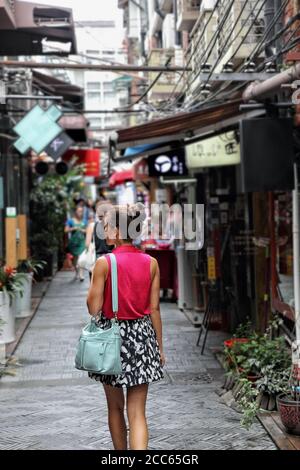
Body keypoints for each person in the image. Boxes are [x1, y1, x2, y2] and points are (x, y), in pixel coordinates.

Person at [87, 204, 165, 450]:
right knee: (138, 412)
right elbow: (154, 309)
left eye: (107, 226)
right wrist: (159, 348)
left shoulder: (104, 263)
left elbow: (93, 307)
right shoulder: (151, 262)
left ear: (119, 230)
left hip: (112, 339)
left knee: (115, 407)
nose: (104, 230)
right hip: (143, 338)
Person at [85, 200, 114, 281]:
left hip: (96, 259)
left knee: (96, 286)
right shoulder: (113, 226)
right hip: (111, 259)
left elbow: (87, 244)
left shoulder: (92, 226)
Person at [65, 205, 87, 281]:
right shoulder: (70, 221)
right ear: (75, 212)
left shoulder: (84, 221)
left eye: (81, 211)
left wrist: (82, 230)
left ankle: (81, 275)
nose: (80, 213)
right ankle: (77, 272)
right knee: (75, 259)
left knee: (81, 258)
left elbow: (88, 230)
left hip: (82, 242)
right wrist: (73, 228)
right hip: (73, 243)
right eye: (78, 211)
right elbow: (66, 230)